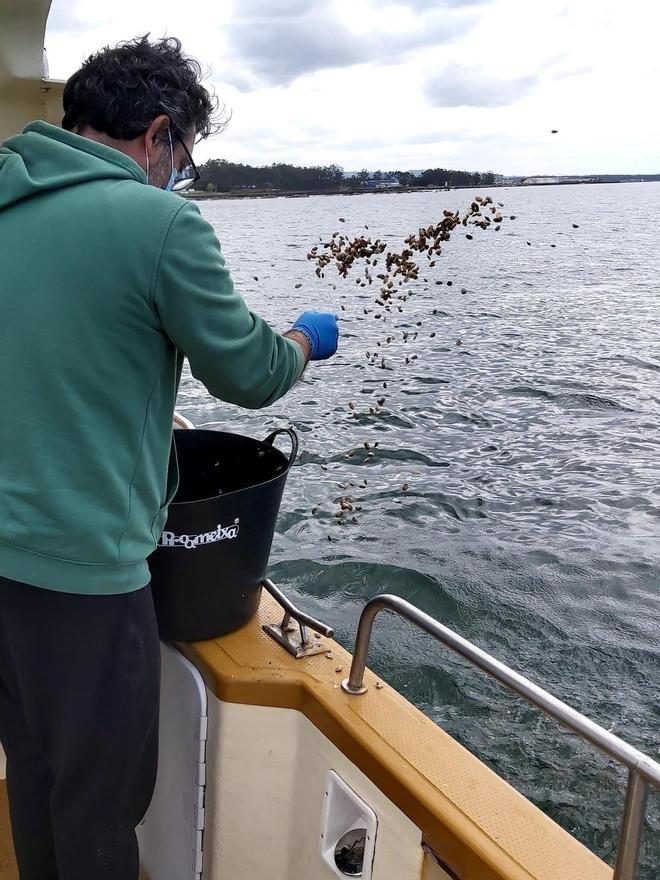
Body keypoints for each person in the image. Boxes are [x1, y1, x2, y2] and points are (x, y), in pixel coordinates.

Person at [0, 35, 338, 880]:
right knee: (103, 807)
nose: (180, 171)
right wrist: (305, 338)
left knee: (34, 773)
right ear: (158, 135)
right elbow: (250, 372)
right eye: (182, 153)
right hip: (82, 578)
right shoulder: (161, 223)